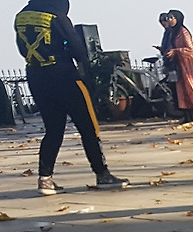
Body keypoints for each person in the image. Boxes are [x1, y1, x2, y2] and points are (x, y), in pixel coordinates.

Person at [13, 0, 128, 195]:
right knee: (88, 127)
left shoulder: (21, 17)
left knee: (53, 130)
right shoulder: (57, 16)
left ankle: (45, 179)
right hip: (64, 76)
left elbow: (22, 49)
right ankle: (102, 174)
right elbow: (78, 50)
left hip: (36, 77)